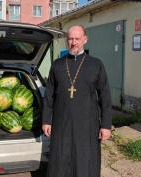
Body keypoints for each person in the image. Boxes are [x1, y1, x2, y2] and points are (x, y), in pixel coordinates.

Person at [42, 25, 112, 177]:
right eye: (70, 39)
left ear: (85, 40)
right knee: (61, 157)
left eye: (77, 39)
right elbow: (49, 95)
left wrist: (106, 125)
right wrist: (46, 120)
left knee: (84, 159)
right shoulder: (57, 65)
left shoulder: (96, 64)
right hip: (62, 122)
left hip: (87, 124)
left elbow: (105, 96)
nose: (73, 42)